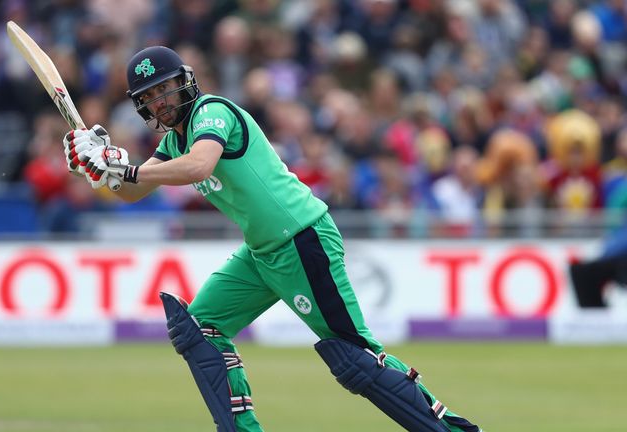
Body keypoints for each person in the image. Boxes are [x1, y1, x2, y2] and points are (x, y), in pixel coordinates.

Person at [62, 46, 482, 432]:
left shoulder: (213, 112)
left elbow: (199, 167)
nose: (160, 103)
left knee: (354, 358)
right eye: (150, 98)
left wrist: (126, 169)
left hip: (301, 239)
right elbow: (132, 192)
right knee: (199, 329)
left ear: (184, 82)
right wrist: (97, 169)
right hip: (262, 251)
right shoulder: (173, 140)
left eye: (165, 90)